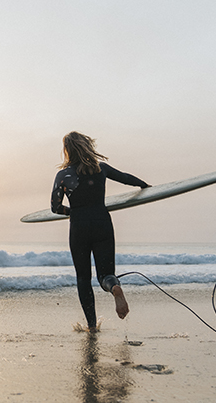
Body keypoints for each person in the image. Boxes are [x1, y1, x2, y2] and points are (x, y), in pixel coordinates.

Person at [50, 132, 150, 332]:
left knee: (83, 278)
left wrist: (73, 212)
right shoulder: (100, 169)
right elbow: (125, 178)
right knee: (105, 274)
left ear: (67, 151)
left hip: (79, 227)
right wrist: (144, 186)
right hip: (102, 222)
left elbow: (55, 207)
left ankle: (92, 326)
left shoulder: (63, 176)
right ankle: (114, 288)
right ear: (87, 146)